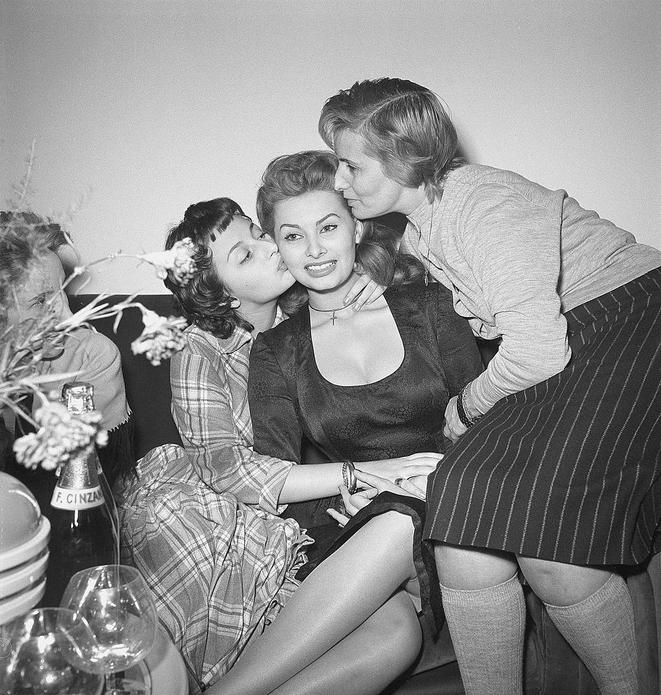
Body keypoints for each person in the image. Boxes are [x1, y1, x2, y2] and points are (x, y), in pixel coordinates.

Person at [318, 76, 661, 695]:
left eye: (349, 165)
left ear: (401, 156)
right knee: (457, 507)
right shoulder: (421, 228)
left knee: (556, 550)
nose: (339, 182)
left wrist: (467, 404)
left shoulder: (483, 202)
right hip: (569, 338)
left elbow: (533, 347)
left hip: (631, 320)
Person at [120, 196, 450, 695]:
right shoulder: (199, 349)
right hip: (228, 524)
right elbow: (229, 473)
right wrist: (361, 475)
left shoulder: (315, 305)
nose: (269, 245)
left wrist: (370, 287)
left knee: (399, 636)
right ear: (224, 296)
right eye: (244, 254)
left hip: (323, 509)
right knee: (395, 625)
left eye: (257, 231)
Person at [246, 149, 484, 676]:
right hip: (354, 525)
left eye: (328, 227)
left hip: (454, 509)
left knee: (403, 515)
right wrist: (346, 487)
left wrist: (436, 476)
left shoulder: (427, 302)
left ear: (357, 227)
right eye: (292, 236)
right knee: (394, 638)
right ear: (277, 248)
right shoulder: (276, 350)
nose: (313, 250)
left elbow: (486, 416)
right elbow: (273, 474)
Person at [0, 211, 134, 498]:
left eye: (63, 292)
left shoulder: (93, 355)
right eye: (40, 301)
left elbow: (86, 484)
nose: (69, 316)